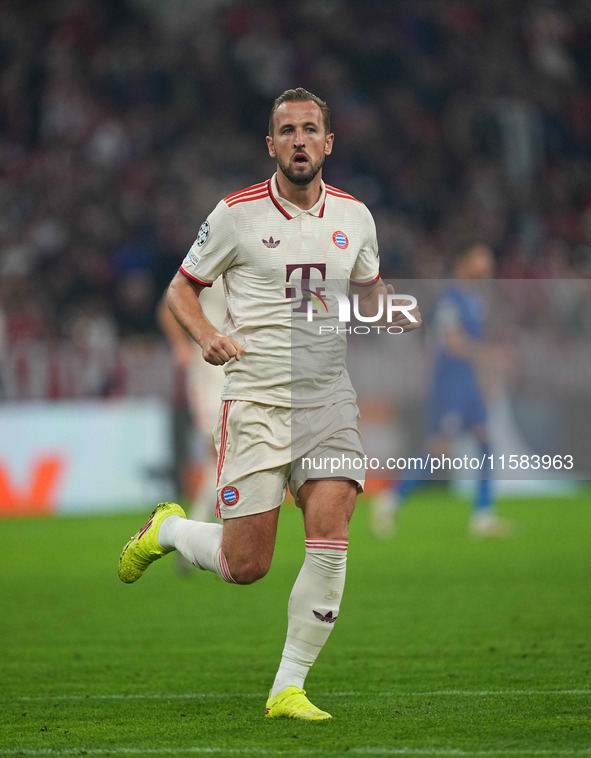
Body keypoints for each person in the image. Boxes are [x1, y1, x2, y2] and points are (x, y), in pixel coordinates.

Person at [118, 88, 421, 720]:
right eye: (288, 131)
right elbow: (181, 289)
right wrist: (206, 336)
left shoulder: (356, 217)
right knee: (246, 564)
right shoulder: (235, 216)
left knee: (332, 520)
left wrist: (392, 310)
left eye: (311, 130)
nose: (300, 141)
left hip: (327, 398)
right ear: (272, 143)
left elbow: (367, 294)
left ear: (329, 142)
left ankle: (289, 686)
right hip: (254, 399)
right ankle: (168, 529)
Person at [371, 242, 512, 539]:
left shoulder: (475, 300)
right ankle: (390, 500)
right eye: (481, 259)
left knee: (486, 442)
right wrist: (489, 357)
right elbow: (451, 342)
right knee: (438, 452)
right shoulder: (450, 298)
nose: (488, 267)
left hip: (469, 383)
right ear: (465, 261)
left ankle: (483, 516)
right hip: (449, 384)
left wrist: (482, 380)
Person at [157, 278, 227, 536]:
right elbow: (167, 306)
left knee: (228, 453)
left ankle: (199, 530)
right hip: (209, 371)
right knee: (220, 449)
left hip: (238, 368)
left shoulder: (251, 260)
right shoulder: (211, 259)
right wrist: (181, 345)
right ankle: (198, 531)